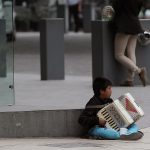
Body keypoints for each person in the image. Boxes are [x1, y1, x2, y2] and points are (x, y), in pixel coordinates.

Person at [78, 77, 143, 140]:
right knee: (113, 134)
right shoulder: (92, 103)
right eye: (109, 88)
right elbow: (81, 119)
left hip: (112, 127)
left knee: (134, 125)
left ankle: (126, 134)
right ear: (102, 91)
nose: (111, 91)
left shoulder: (109, 100)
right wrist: (97, 120)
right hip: (96, 129)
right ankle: (127, 134)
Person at [110, 0, 148, 86]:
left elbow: (115, 8)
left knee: (119, 55)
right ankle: (129, 80)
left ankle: (139, 71)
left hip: (124, 25)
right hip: (135, 24)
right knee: (131, 52)